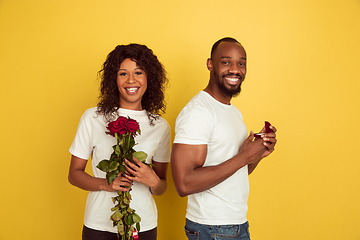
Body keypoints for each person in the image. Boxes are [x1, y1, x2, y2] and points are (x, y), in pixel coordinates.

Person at [171, 37, 277, 240]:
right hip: (212, 228)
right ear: (210, 64)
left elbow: (236, 173)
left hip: (234, 224)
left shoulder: (233, 112)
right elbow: (184, 183)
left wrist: (257, 154)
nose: (235, 69)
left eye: (241, 63)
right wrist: (244, 157)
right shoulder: (198, 112)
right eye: (226, 62)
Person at [68, 43, 170, 240]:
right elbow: (74, 174)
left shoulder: (160, 126)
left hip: (143, 225)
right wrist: (107, 184)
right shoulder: (93, 118)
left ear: (149, 77)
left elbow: (161, 188)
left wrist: (153, 180)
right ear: (113, 79)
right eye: (123, 73)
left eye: (138, 72)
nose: (131, 80)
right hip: (98, 224)